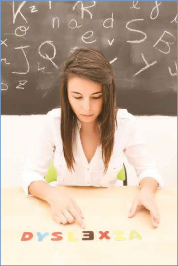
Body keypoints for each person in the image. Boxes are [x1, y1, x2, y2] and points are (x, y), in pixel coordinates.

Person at [21, 47, 164, 230]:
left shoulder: (125, 123)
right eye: (77, 97)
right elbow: (29, 173)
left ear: (108, 94)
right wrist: (52, 195)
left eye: (96, 97)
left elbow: (147, 169)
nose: (86, 107)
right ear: (66, 94)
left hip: (111, 212)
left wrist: (147, 190)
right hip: (67, 214)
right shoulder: (53, 122)